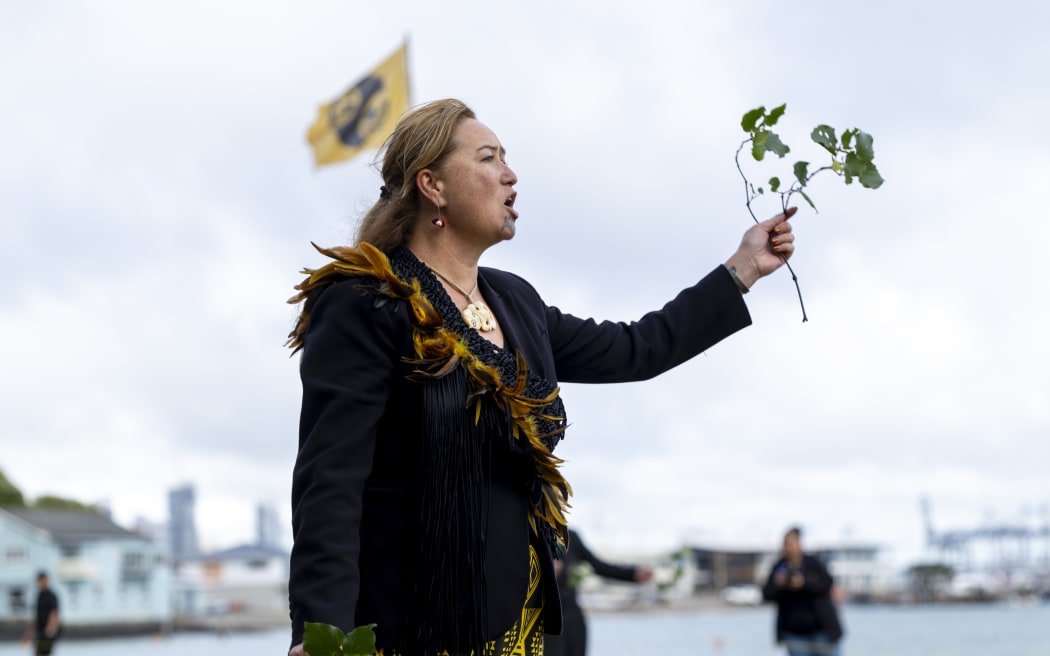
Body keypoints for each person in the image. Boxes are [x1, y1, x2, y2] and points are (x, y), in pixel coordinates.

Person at [286, 98, 798, 656]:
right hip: (408, 627)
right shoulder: (365, 302)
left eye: (507, 158)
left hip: (519, 625)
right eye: (488, 158)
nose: (510, 174)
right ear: (432, 186)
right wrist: (325, 639)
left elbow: (636, 348)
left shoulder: (517, 302)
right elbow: (330, 487)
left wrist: (743, 269)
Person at [545, 529, 653, 656]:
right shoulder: (530, 535)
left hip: (573, 619)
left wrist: (633, 573)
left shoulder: (569, 536)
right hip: (545, 623)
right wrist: (544, 570)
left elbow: (598, 566)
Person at [762, 527, 844, 656]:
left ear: (800, 543)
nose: (788, 547)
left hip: (822, 631)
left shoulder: (813, 563)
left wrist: (804, 583)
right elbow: (766, 594)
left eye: (791, 543)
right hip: (795, 635)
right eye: (786, 543)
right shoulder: (779, 566)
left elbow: (827, 584)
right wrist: (779, 584)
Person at [23, 571, 60, 656]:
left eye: (44, 580)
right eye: (40, 581)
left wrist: (51, 629)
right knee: (38, 653)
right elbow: (36, 617)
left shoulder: (51, 596)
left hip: (48, 631)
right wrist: (28, 634)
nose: (42, 583)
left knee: (43, 653)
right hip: (40, 630)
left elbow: (54, 614)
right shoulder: (39, 595)